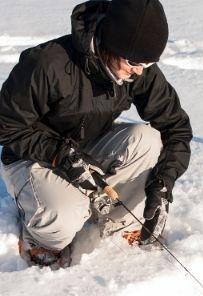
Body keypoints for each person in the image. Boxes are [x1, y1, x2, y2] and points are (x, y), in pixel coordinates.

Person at [0, 0, 192, 269]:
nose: (138, 71)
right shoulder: (47, 64)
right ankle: (41, 238)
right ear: (110, 43)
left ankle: (116, 222)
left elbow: (176, 128)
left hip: (88, 147)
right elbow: (7, 126)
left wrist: (164, 183)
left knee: (148, 140)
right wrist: (59, 155)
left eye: (147, 64)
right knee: (64, 215)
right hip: (31, 156)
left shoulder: (136, 70)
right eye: (134, 62)